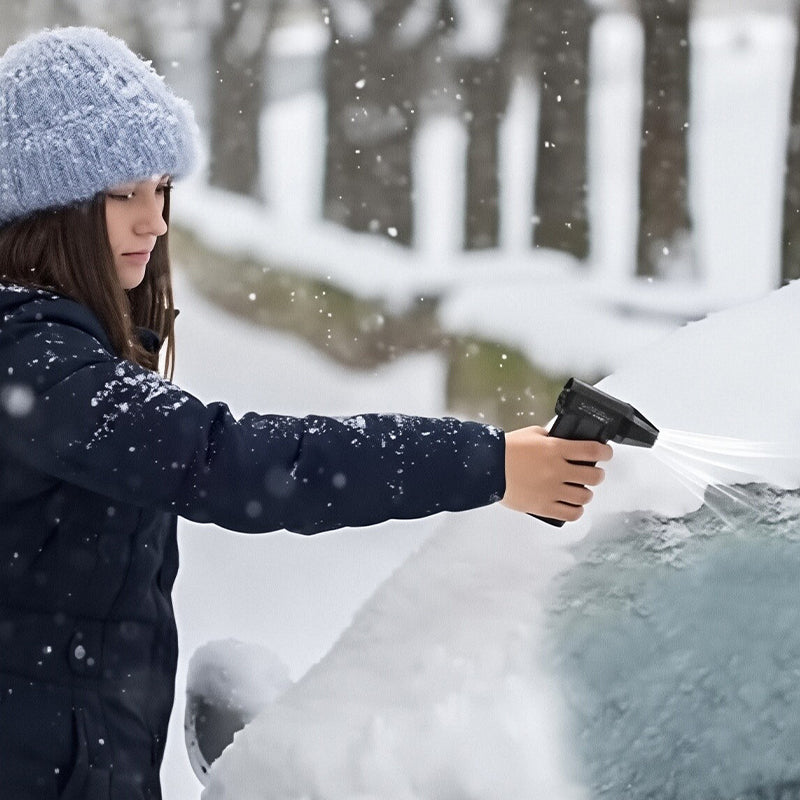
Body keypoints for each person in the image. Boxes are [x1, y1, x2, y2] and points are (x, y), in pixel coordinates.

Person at [0, 26, 612, 800]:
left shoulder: (49, 352)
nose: (153, 222)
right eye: (122, 195)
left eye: (160, 190)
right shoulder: (34, 365)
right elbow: (231, 463)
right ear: (48, 208)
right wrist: (488, 464)